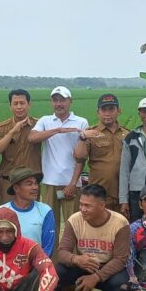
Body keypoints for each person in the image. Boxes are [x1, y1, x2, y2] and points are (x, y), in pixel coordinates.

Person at [53, 184, 131, 291]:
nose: (83, 209)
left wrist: (95, 277)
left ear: (102, 205)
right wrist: (76, 259)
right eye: (81, 204)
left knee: (121, 287)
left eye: (88, 206)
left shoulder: (120, 223)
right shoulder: (74, 220)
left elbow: (121, 259)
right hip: (84, 265)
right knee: (57, 276)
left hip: (109, 267)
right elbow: (61, 252)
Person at [28, 86, 89, 232]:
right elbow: (32, 137)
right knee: (50, 227)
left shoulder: (81, 122)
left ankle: (72, 255)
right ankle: (52, 255)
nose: (58, 104)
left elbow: (82, 157)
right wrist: (57, 130)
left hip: (72, 183)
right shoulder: (45, 121)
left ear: (70, 101)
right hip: (49, 182)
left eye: (62, 100)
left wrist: (73, 183)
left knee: (74, 226)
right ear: (51, 102)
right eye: (55, 100)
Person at [0, 167, 56, 256]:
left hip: (35, 264)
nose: (35, 187)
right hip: (5, 264)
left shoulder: (45, 211)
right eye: (29, 184)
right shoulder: (0, 212)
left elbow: (48, 248)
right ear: (16, 188)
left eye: (36, 183)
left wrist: (37, 266)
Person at [72, 93, 130, 210]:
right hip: (99, 194)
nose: (107, 113)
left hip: (123, 194)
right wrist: (83, 137)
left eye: (111, 109)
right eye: (103, 109)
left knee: (122, 226)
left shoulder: (127, 134)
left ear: (118, 111)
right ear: (98, 112)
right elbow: (79, 157)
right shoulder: (91, 133)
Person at [0, 89, 41, 205]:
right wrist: (12, 132)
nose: (19, 107)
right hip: (9, 182)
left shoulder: (39, 125)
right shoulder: (0, 128)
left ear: (29, 105)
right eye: (15, 103)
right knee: (7, 218)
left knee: (32, 217)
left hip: (32, 181)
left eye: (22, 103)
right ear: (10, 106)